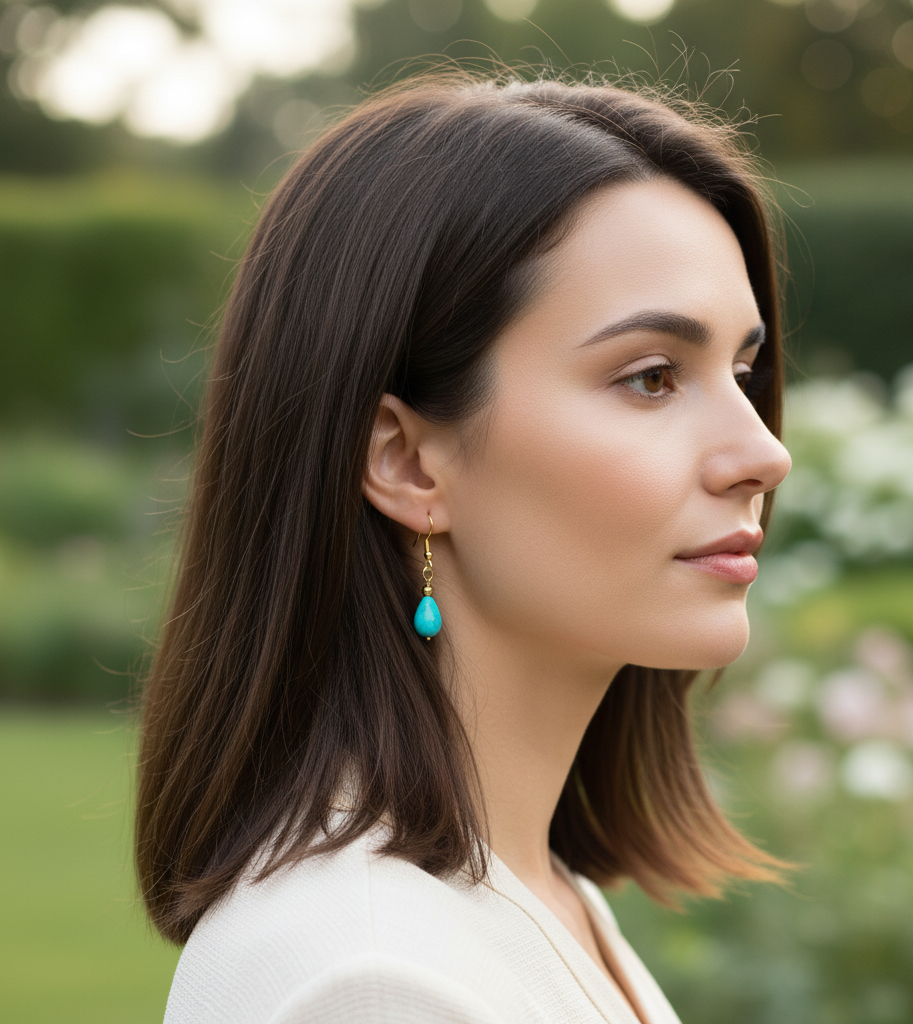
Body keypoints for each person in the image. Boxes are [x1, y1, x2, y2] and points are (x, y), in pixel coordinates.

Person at [136, 70, 792, 1024]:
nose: (762, 453)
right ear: (407, 462)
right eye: (651, 377)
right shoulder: (373, 979)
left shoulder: (522, 896)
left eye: (742, 370)